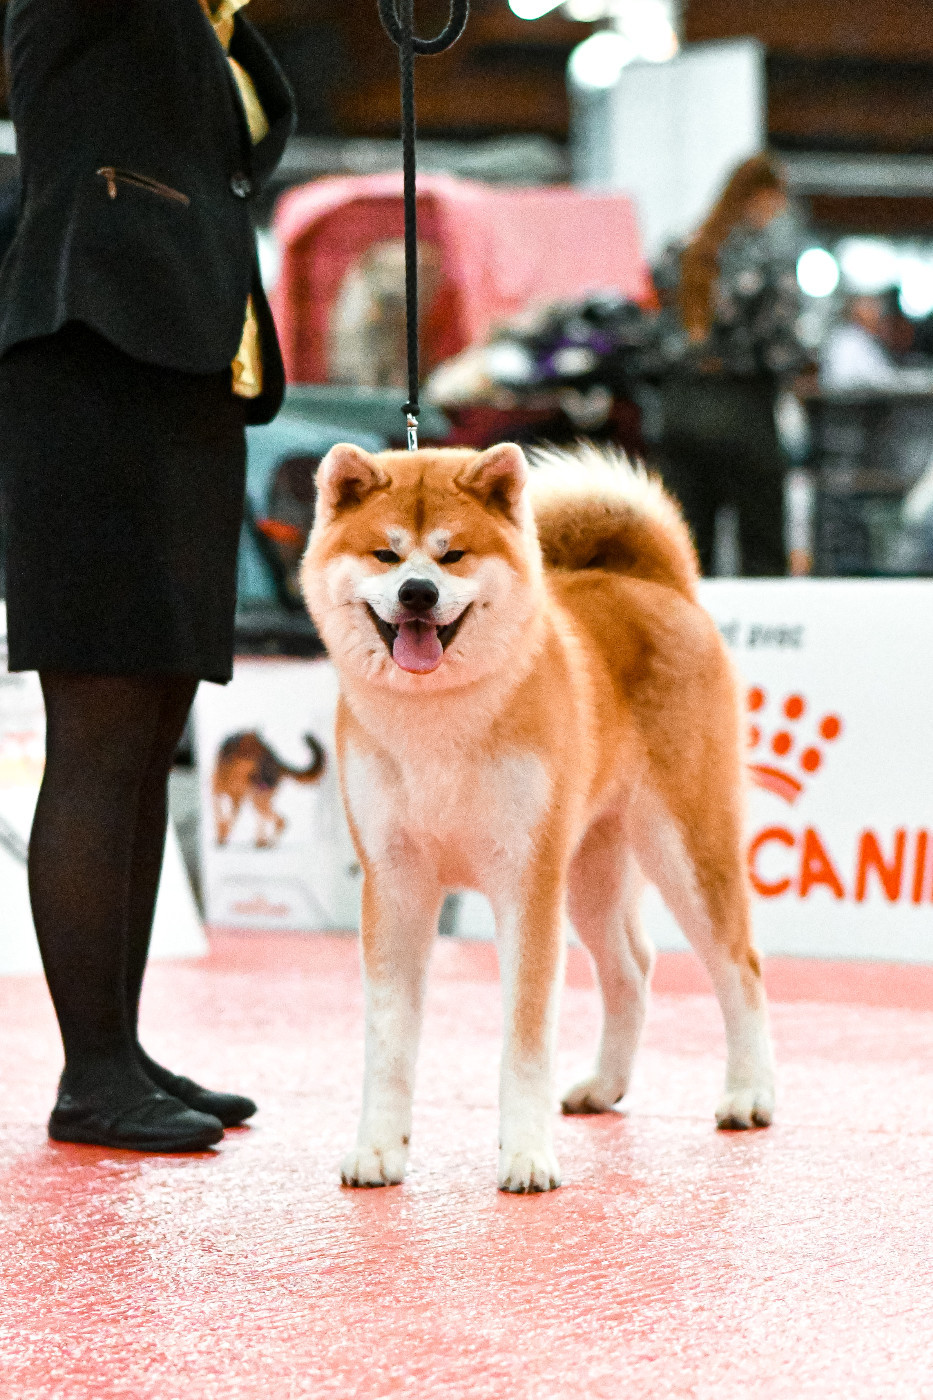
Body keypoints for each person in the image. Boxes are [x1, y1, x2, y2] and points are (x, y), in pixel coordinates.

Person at [0, 0, 295, 1150]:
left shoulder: (207, 25)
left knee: (154, 716)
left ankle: (118, 1044)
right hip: (94, 355)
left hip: (184, 364)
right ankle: (90, 1074)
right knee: (100, 723)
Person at [655, 153, 808, 576]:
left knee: (686, 554)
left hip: (680, 413)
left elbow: (651, 334)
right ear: (762, 198)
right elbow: (783, 348)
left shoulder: (677, 251)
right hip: (744, 413)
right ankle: (769, 638)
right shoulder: (768, 260)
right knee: (762, 551)